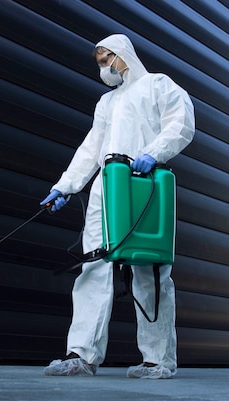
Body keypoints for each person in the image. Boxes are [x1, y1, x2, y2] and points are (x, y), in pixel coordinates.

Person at [40, 34, 195, 379]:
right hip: (107, 186)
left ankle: (159, 359)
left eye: (107, 58)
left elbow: (181, 121)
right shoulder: (106, 102)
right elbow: (90, 147)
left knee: (149, 269)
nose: (103, 66)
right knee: (93, 267)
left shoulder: (157, 85)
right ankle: (81, 354)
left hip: (145, 184)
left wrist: (155, 151)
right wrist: (65, 186)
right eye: (99, 61)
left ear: (123, 54)